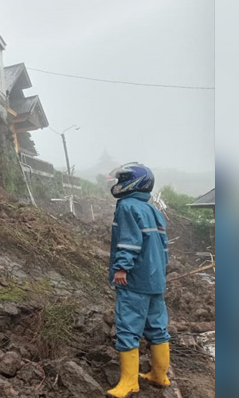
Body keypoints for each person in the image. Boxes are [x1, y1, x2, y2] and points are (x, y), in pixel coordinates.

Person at [106, 162, 171, 398]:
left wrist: (122, 267)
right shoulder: (153, 210)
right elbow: (164, 248)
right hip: (155, 279)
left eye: (121, 180)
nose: (118, 184)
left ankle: (129, 383)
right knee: (157, 327)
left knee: (128, 327)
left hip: (134, 279)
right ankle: (159, 375)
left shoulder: (126, 206)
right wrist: (160, 273)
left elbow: (128, 240)